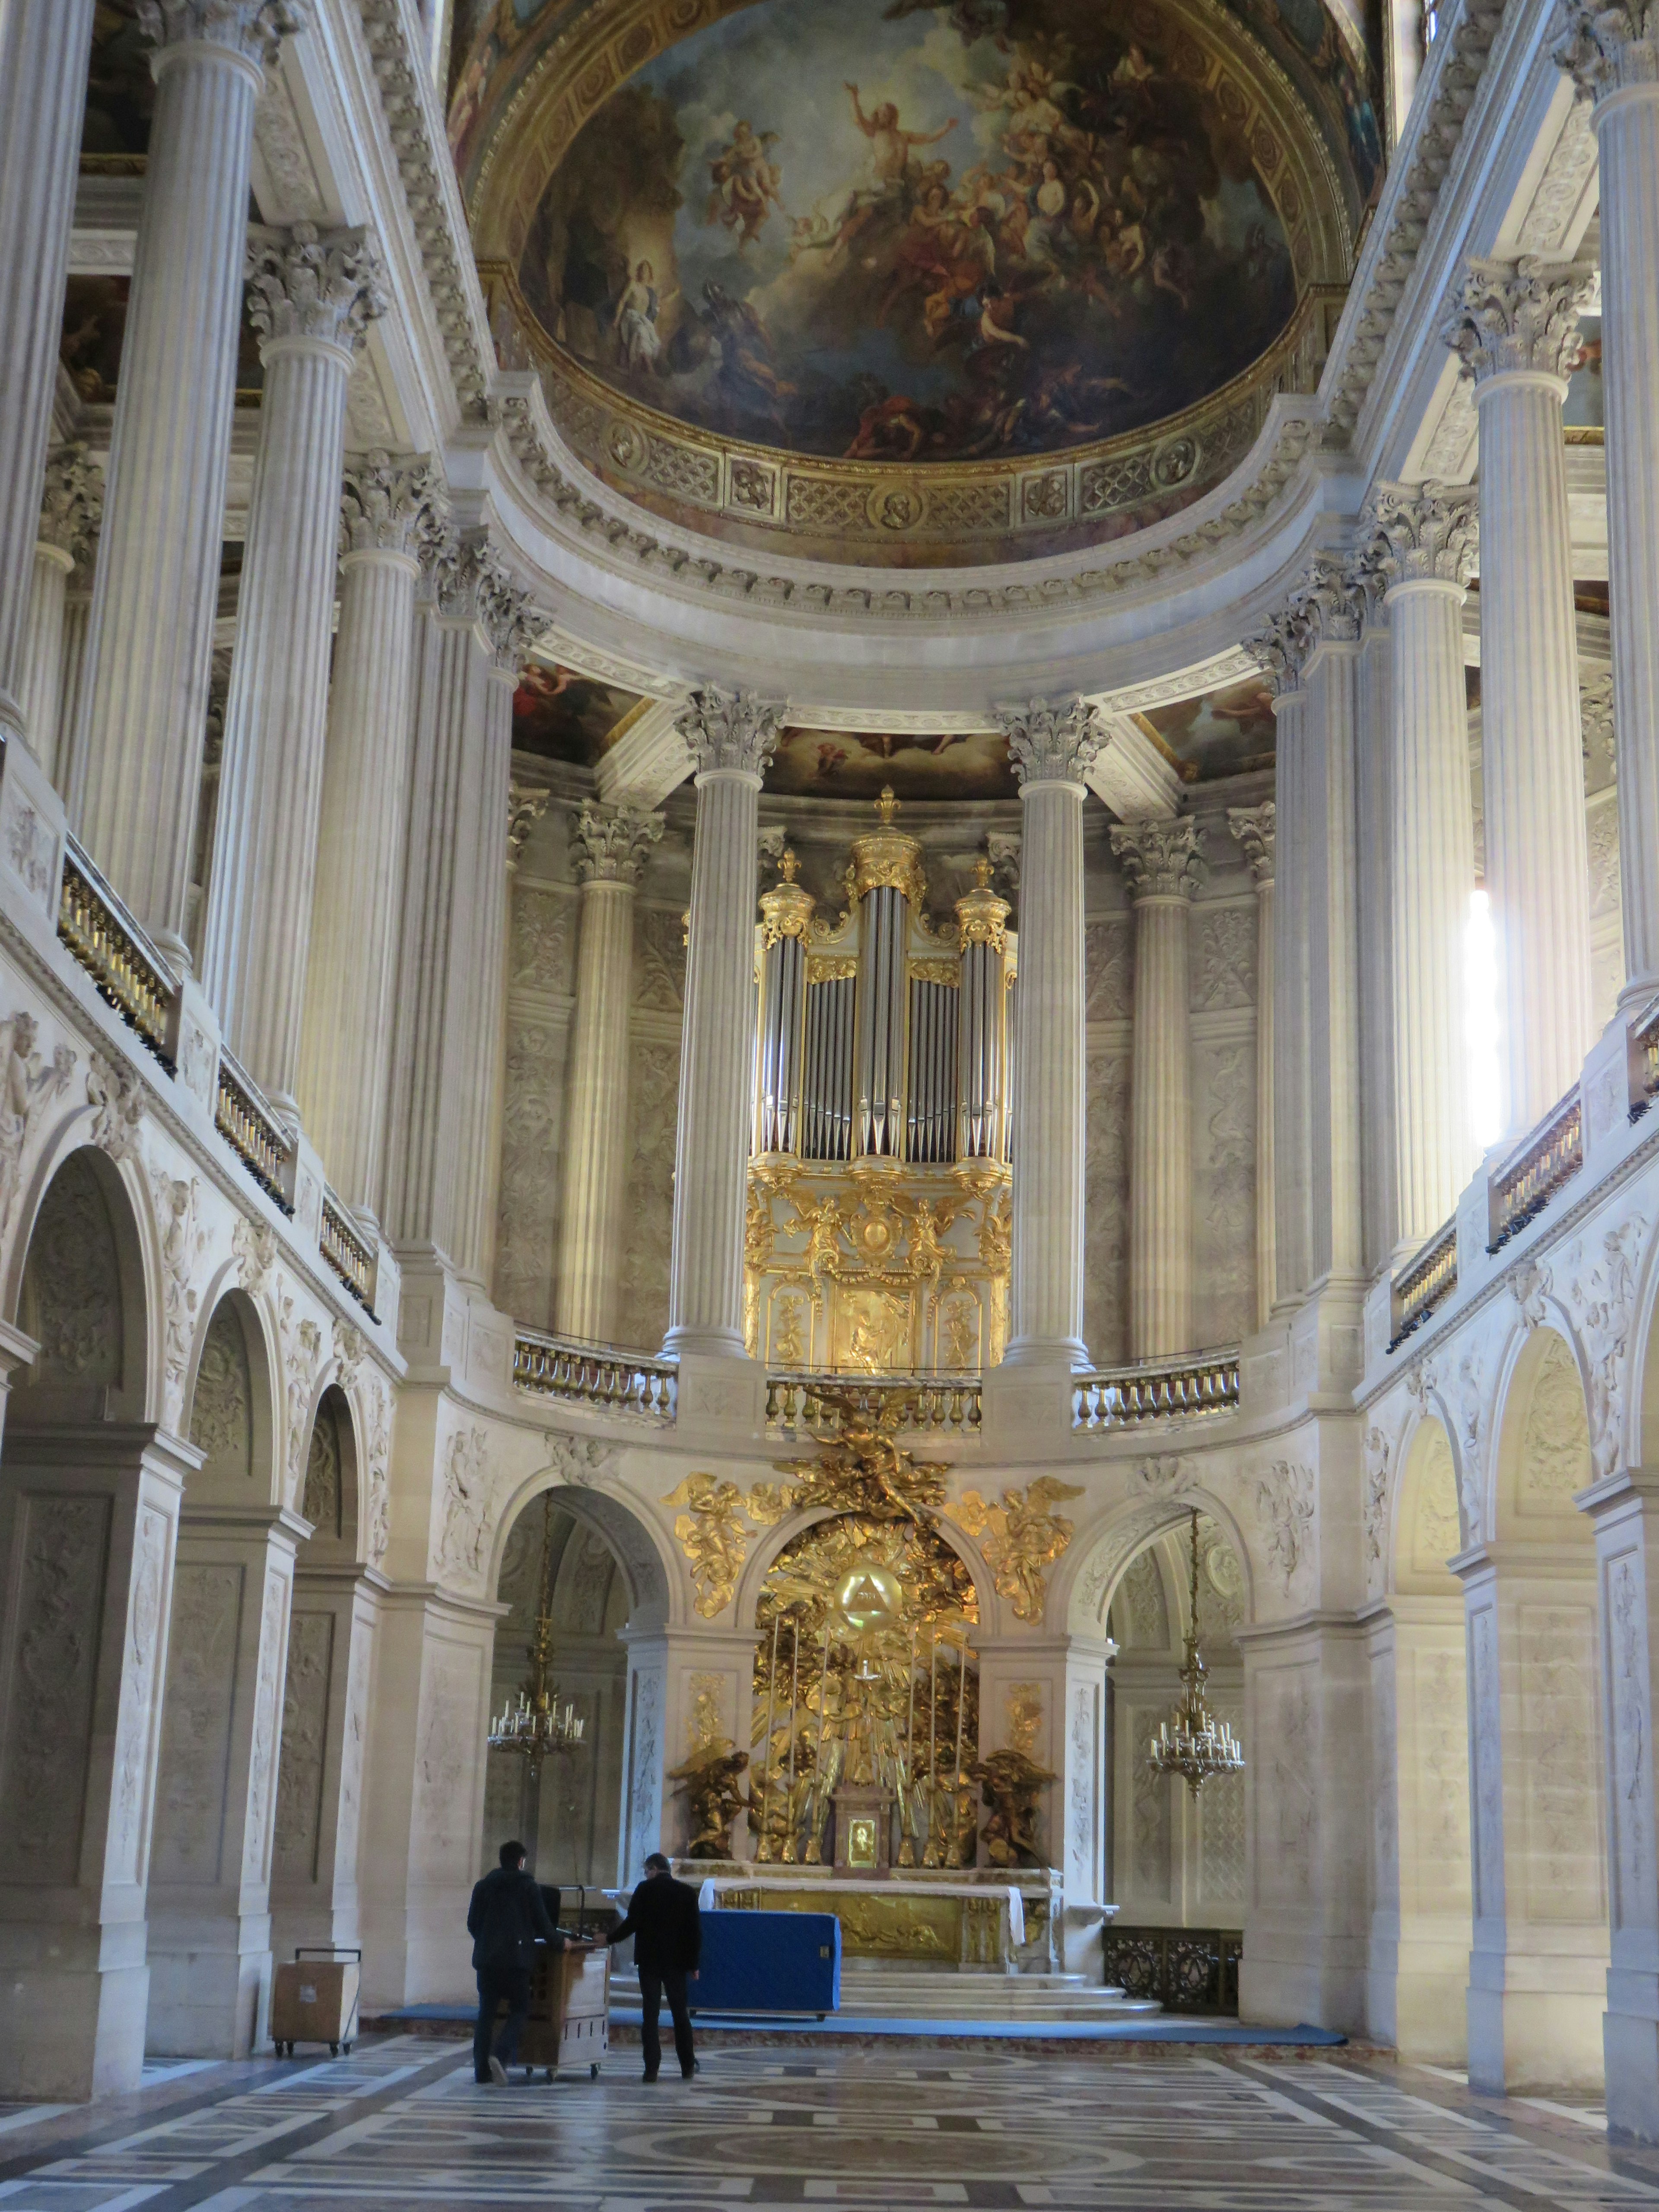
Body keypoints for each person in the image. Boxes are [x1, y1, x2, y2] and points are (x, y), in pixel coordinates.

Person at [467, 1840, 567, 2085]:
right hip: (516, 1961)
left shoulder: (483, 1886)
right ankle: (500, 2055)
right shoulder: (528, 1887)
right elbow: (544, 1925)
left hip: (487, 1961)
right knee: (521, 2009)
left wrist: (488, 1942)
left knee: (486, 2014)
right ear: (521, 1861)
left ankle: (481, 2072)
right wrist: (560, 1944)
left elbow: (472, 1924)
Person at [607, 1851, 702, 2082]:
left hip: (649, 1961)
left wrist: (609, 1939)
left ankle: (651, 2068)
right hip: (677, 1962)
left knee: (650, 2014)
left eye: (647, 1871)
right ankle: (687, 2065)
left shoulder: (644, 1890)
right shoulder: (687, 1892)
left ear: (653, 1869)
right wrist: (694, 1964)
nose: (646, 1875)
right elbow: (694, 1932)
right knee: (680, 2014)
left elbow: (632, 1923)